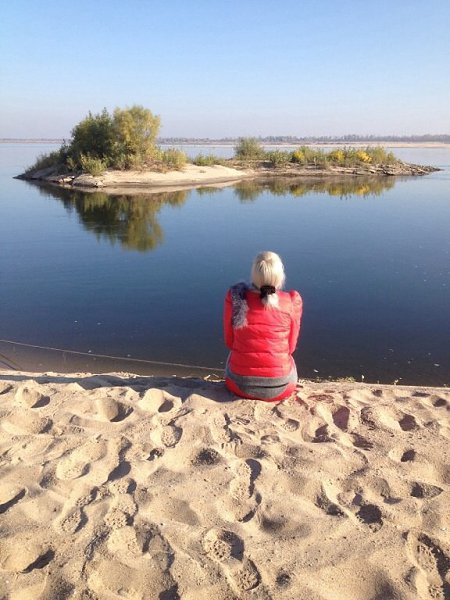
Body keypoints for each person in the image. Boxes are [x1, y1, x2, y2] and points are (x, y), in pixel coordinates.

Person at [223, 251, 303, 402]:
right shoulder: (292, 301)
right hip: (281, 387)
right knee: (288, 358)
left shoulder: (236, 298)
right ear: (280, 276)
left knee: (234, 354)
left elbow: (229, 342)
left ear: (254, 274)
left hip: (238, 385)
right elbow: (291, 348)